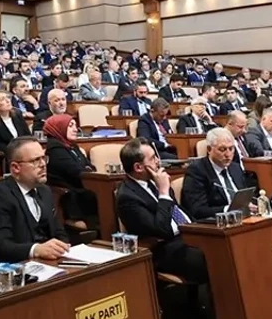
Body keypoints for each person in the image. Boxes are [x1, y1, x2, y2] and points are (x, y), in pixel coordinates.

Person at [115, 139, 208, 285]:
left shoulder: (154, 180)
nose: (158, 161)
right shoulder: (127, 197)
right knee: (212, 257)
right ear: (138, 167)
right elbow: (161, 230)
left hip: (187, 234)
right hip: (164, 248)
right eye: (152, 158)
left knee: (226, 247)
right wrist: (164, 192)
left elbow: (177, 211)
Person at [0, 137, 70, 264]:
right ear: (15, 168)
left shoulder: (45, 191)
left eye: (43, 158)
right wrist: (35, 250)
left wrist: (62, 247)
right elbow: (0, 244)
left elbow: (58, 231)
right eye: (36, 160)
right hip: (14, 269)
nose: (43, 164)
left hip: (49, 265)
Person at [180, 128, 250, 220]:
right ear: (209, 149)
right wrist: (228, 209)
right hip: (216, 224)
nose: (228, 154)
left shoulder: (235, 168)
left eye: (231, 148)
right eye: (222, 149)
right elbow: (198, 210)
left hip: (242, 218)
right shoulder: (197, 170)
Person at [41, 113, 97, 228]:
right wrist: (87, 169)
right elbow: (75, 172)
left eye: (75, 126)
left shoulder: (71, 146)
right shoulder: (55, 149)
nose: (75, 129)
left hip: (81, 185)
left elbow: (89, 166)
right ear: (59, 127)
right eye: (70, 126)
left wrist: (87, 169)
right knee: (100, 194)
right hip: (70, 191)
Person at [0, 90, 32, 156]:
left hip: (24, 151)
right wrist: (14, 150)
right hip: (5, 156)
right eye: (2, 99)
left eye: (8, 98)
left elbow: (27, 135)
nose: (8, 101)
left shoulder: (17, 115)